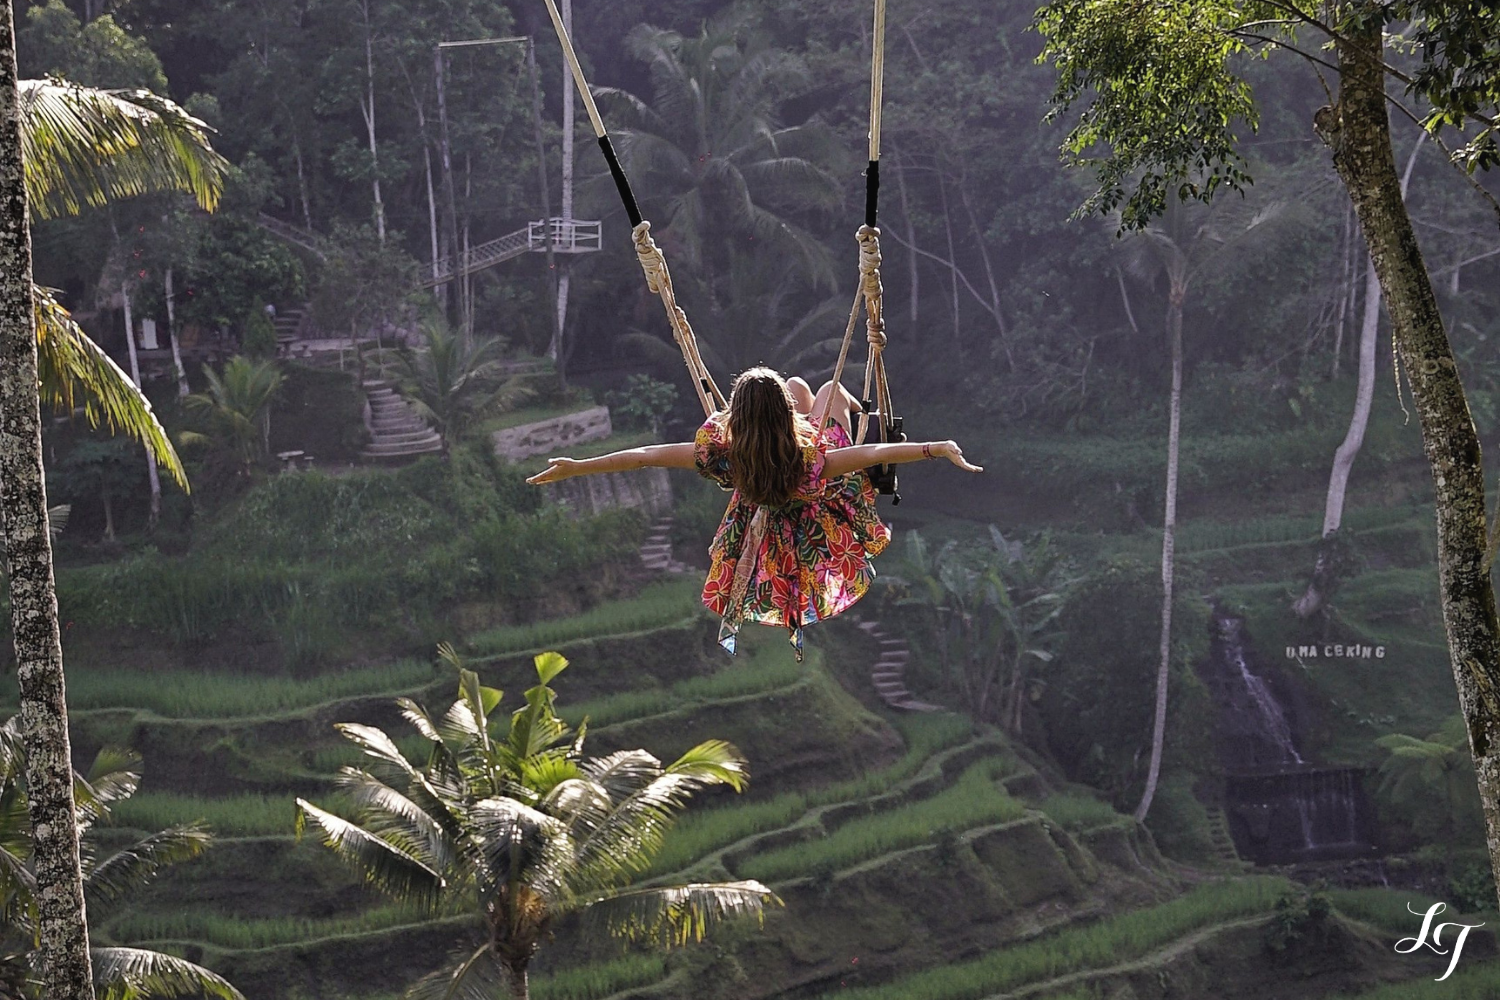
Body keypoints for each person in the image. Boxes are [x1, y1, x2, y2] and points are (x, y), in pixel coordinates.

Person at [527, 367, 982, 659]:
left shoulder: (723, 456)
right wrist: (936, 448)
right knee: (827, 390)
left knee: (803, 385)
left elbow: (645, 455)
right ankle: (849, 406)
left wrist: (578, 467)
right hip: (819, 500)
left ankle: (804, 398)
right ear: (785, 417)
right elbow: (871, 452)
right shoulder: (812, 458)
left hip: (765, 496)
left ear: (736, 419)